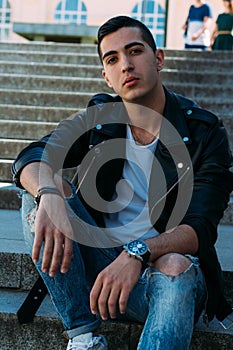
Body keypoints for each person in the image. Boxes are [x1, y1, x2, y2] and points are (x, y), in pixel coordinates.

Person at [12, 15, 233, 350]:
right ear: (107, 77)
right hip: (100, 272)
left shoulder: (205, 133)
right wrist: (50, 195)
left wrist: (136, 254)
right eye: (112, 59)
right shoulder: (101, 119)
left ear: (158, 59)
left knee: (174, 266)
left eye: (135, 51)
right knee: (40, 193)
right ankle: (84, 336)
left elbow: (199, 229)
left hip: (161, 282)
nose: (126, 65)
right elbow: (32, 155)